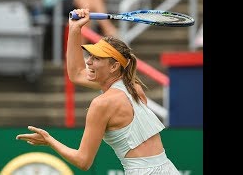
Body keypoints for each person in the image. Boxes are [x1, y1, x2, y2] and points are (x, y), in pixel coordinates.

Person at [16, 9, 180, 174]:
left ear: (114, 66)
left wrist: (49, 141)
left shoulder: (101, 104)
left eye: (97, 58)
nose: (89, 61)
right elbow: (76, 73)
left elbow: (83, 161)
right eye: (90, 56)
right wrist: (74, 29)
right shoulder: (133, 87)